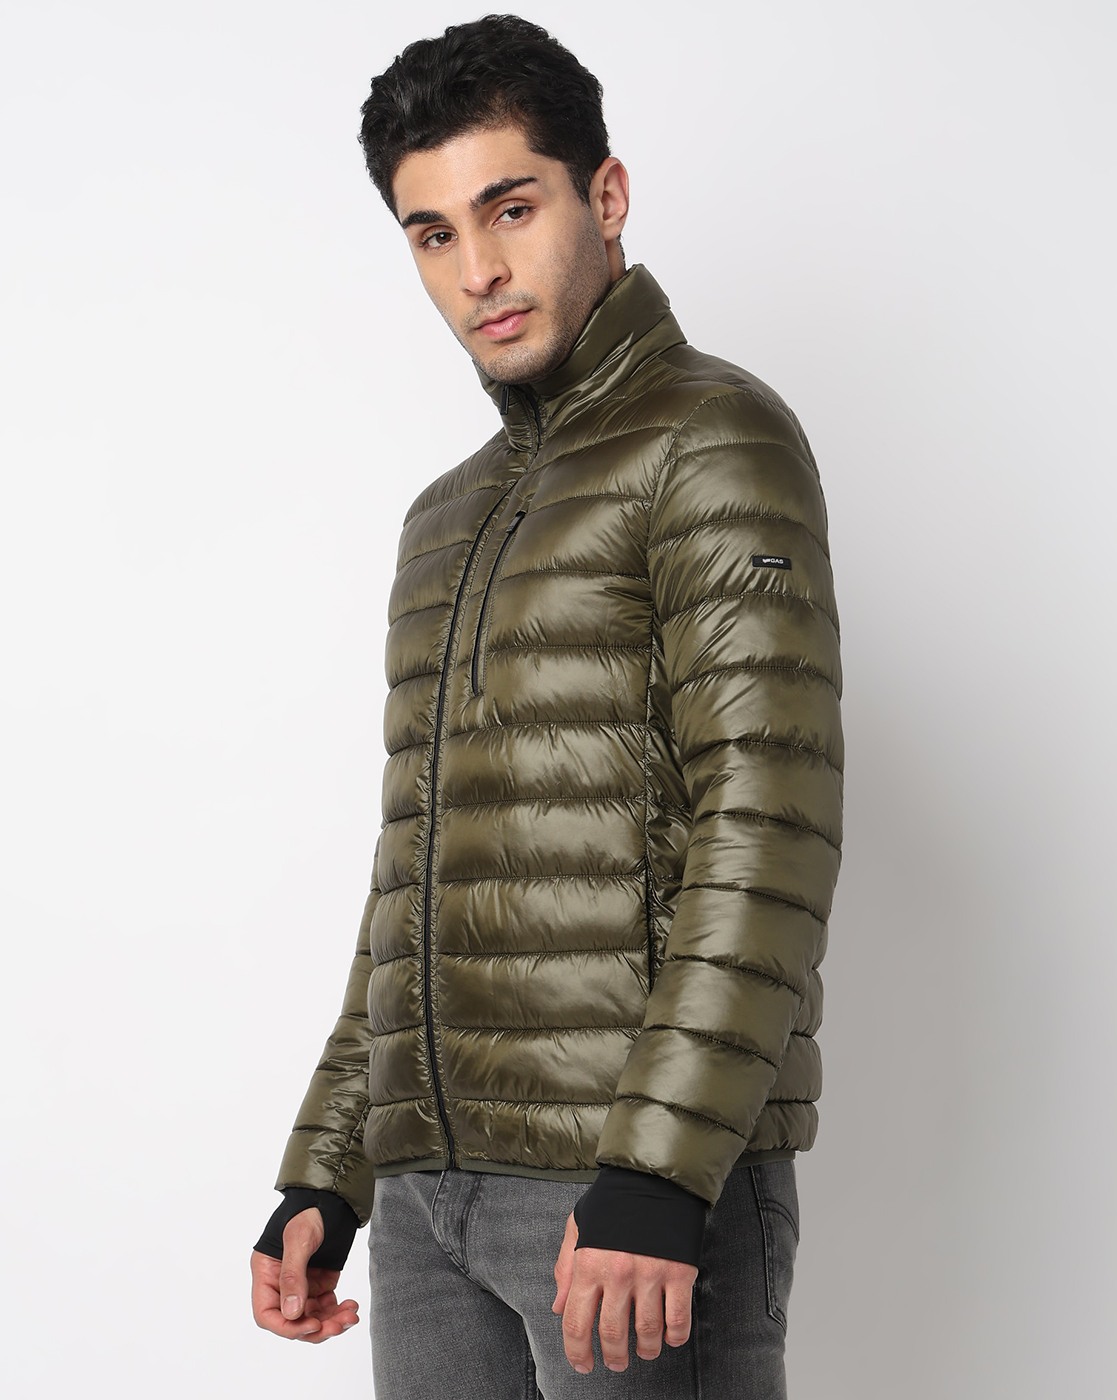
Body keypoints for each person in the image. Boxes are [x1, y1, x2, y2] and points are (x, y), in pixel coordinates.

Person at [250, 15, 842, 1398]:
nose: (478, 270)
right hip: (429, 1199)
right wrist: (327, 1171)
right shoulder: (443, 518)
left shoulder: (711, 439)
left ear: (606, 195)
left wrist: (656, 1173)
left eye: (510, 208)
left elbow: (769, 827)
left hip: (621, 1191)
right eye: (434, 233)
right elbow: (416, 878)